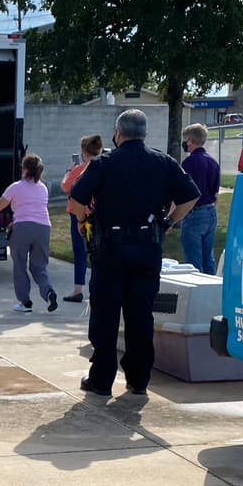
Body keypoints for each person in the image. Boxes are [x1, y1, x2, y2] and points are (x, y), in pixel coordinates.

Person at [68, 109, 199, 397]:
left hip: (109, 251)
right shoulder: (164, 162)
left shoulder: (103, 162)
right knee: (141, 315)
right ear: (144, 134)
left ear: (118, 133)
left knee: (106, 313)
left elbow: (76, 199)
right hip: (146, 249)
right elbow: (191, 195)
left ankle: (101, 380)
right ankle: (139, 379)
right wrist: (169, 221)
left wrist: (82, 220)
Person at [0, 153, 58, 313]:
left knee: (20, 265)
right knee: (39, 266)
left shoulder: (16, 186)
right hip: (44, 228)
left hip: (22, 228)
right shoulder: (43, 188)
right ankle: (48, 291)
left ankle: (25, 302)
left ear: (24, 169)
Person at [59, 133, 105, 302]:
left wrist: (69, 171)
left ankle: (78, 288)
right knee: (98, 252)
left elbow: (65, 186)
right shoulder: (103, 166)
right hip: (96, 214)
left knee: (80, 252)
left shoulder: (79, 169)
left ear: (84, 152)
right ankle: (97, 288)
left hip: (78, 215)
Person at [180, 123, 221, 275]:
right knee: (207, 257)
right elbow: (215, 195)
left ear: (190, 140)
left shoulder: (188, 163)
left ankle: (196, 297)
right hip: (210, 212)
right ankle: (211, 292)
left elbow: (183, 193)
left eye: (185, 140)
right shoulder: (213, 162)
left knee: (193, 261)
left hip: (194, 214)